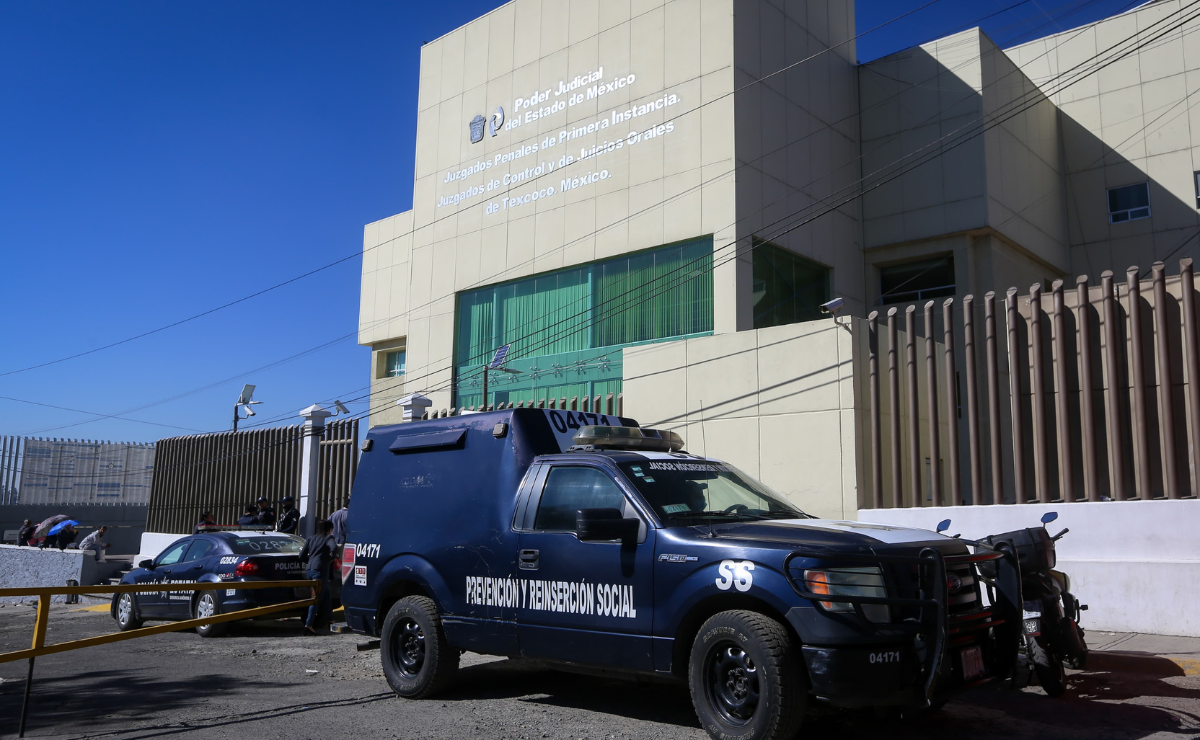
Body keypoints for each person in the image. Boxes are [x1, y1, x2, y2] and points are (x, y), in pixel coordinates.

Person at [298, 519, 336, 636]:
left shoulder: (311, 538)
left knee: (326, 594)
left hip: (309, 570)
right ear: (330, 529)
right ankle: (308, 625)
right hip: (320, 571)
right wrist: (330, 559)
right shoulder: (329, 538)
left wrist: (310, 563)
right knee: (316, 598)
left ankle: (331, 620)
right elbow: (333, 548)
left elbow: (301, 555)